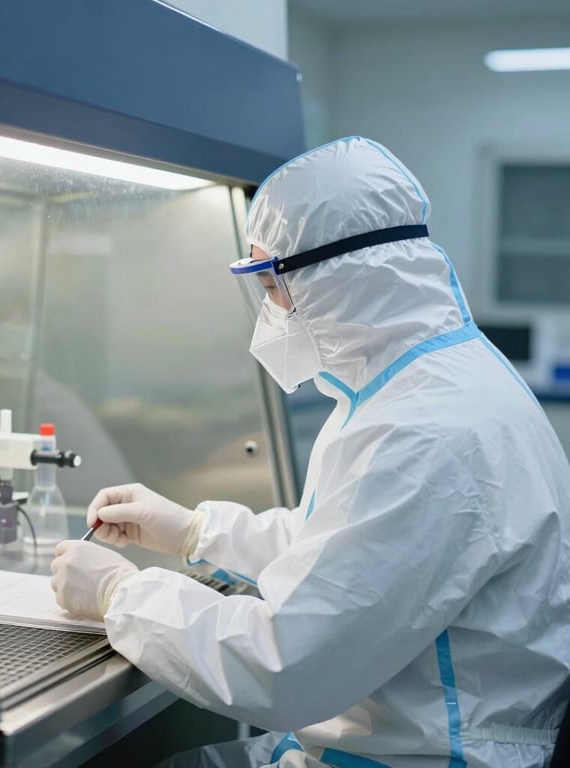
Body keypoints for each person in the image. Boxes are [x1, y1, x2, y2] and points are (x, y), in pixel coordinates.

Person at [50, 136, 570, 768]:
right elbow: (353, 553)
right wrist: (198, 532)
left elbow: (282, 667)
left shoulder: (426, 431)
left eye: (270, 281)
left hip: (422, 757)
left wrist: (120, 596)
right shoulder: (429, 381)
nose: (268, 309)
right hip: (404, 737)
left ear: (338, 277)